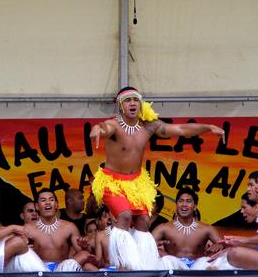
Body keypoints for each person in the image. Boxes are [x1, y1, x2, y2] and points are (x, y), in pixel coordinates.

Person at [89, 86, 225, 270]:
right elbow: (102, 127)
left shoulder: (149, 125)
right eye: (128, 101)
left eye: (135, 100)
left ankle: (143, 265)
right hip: (111, 181)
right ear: (120, 106)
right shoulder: (114, 126)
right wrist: (96, 130)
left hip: (137, 182)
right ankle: (124, 264)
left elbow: (181, 129)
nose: (132, 104)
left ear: (140, 103)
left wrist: (207, 127)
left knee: (143, 221)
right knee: (124, 215)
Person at [152, 187, 230, 270]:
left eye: (188, 201)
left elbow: (224, 246)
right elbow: (147, 245)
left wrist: (220, 245)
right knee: (166, 260)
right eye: (180, 201)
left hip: (199, 268)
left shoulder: (207, 229)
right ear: (176, 205)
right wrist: (163, 254)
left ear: (195, 206)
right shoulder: (164, 228)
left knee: (220, 258)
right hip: (174, 267)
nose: (184, 204)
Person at [22, 188, 98, 272]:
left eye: (51, 200)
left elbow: (84, 254)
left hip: (64, 269)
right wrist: (25, 249)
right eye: (43, 200)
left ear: (56, 205)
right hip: (39, 269)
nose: (47, 202)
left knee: (84, 255)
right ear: (37, 206)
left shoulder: (69, 227)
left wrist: (84, 247)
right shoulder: (28, 228)